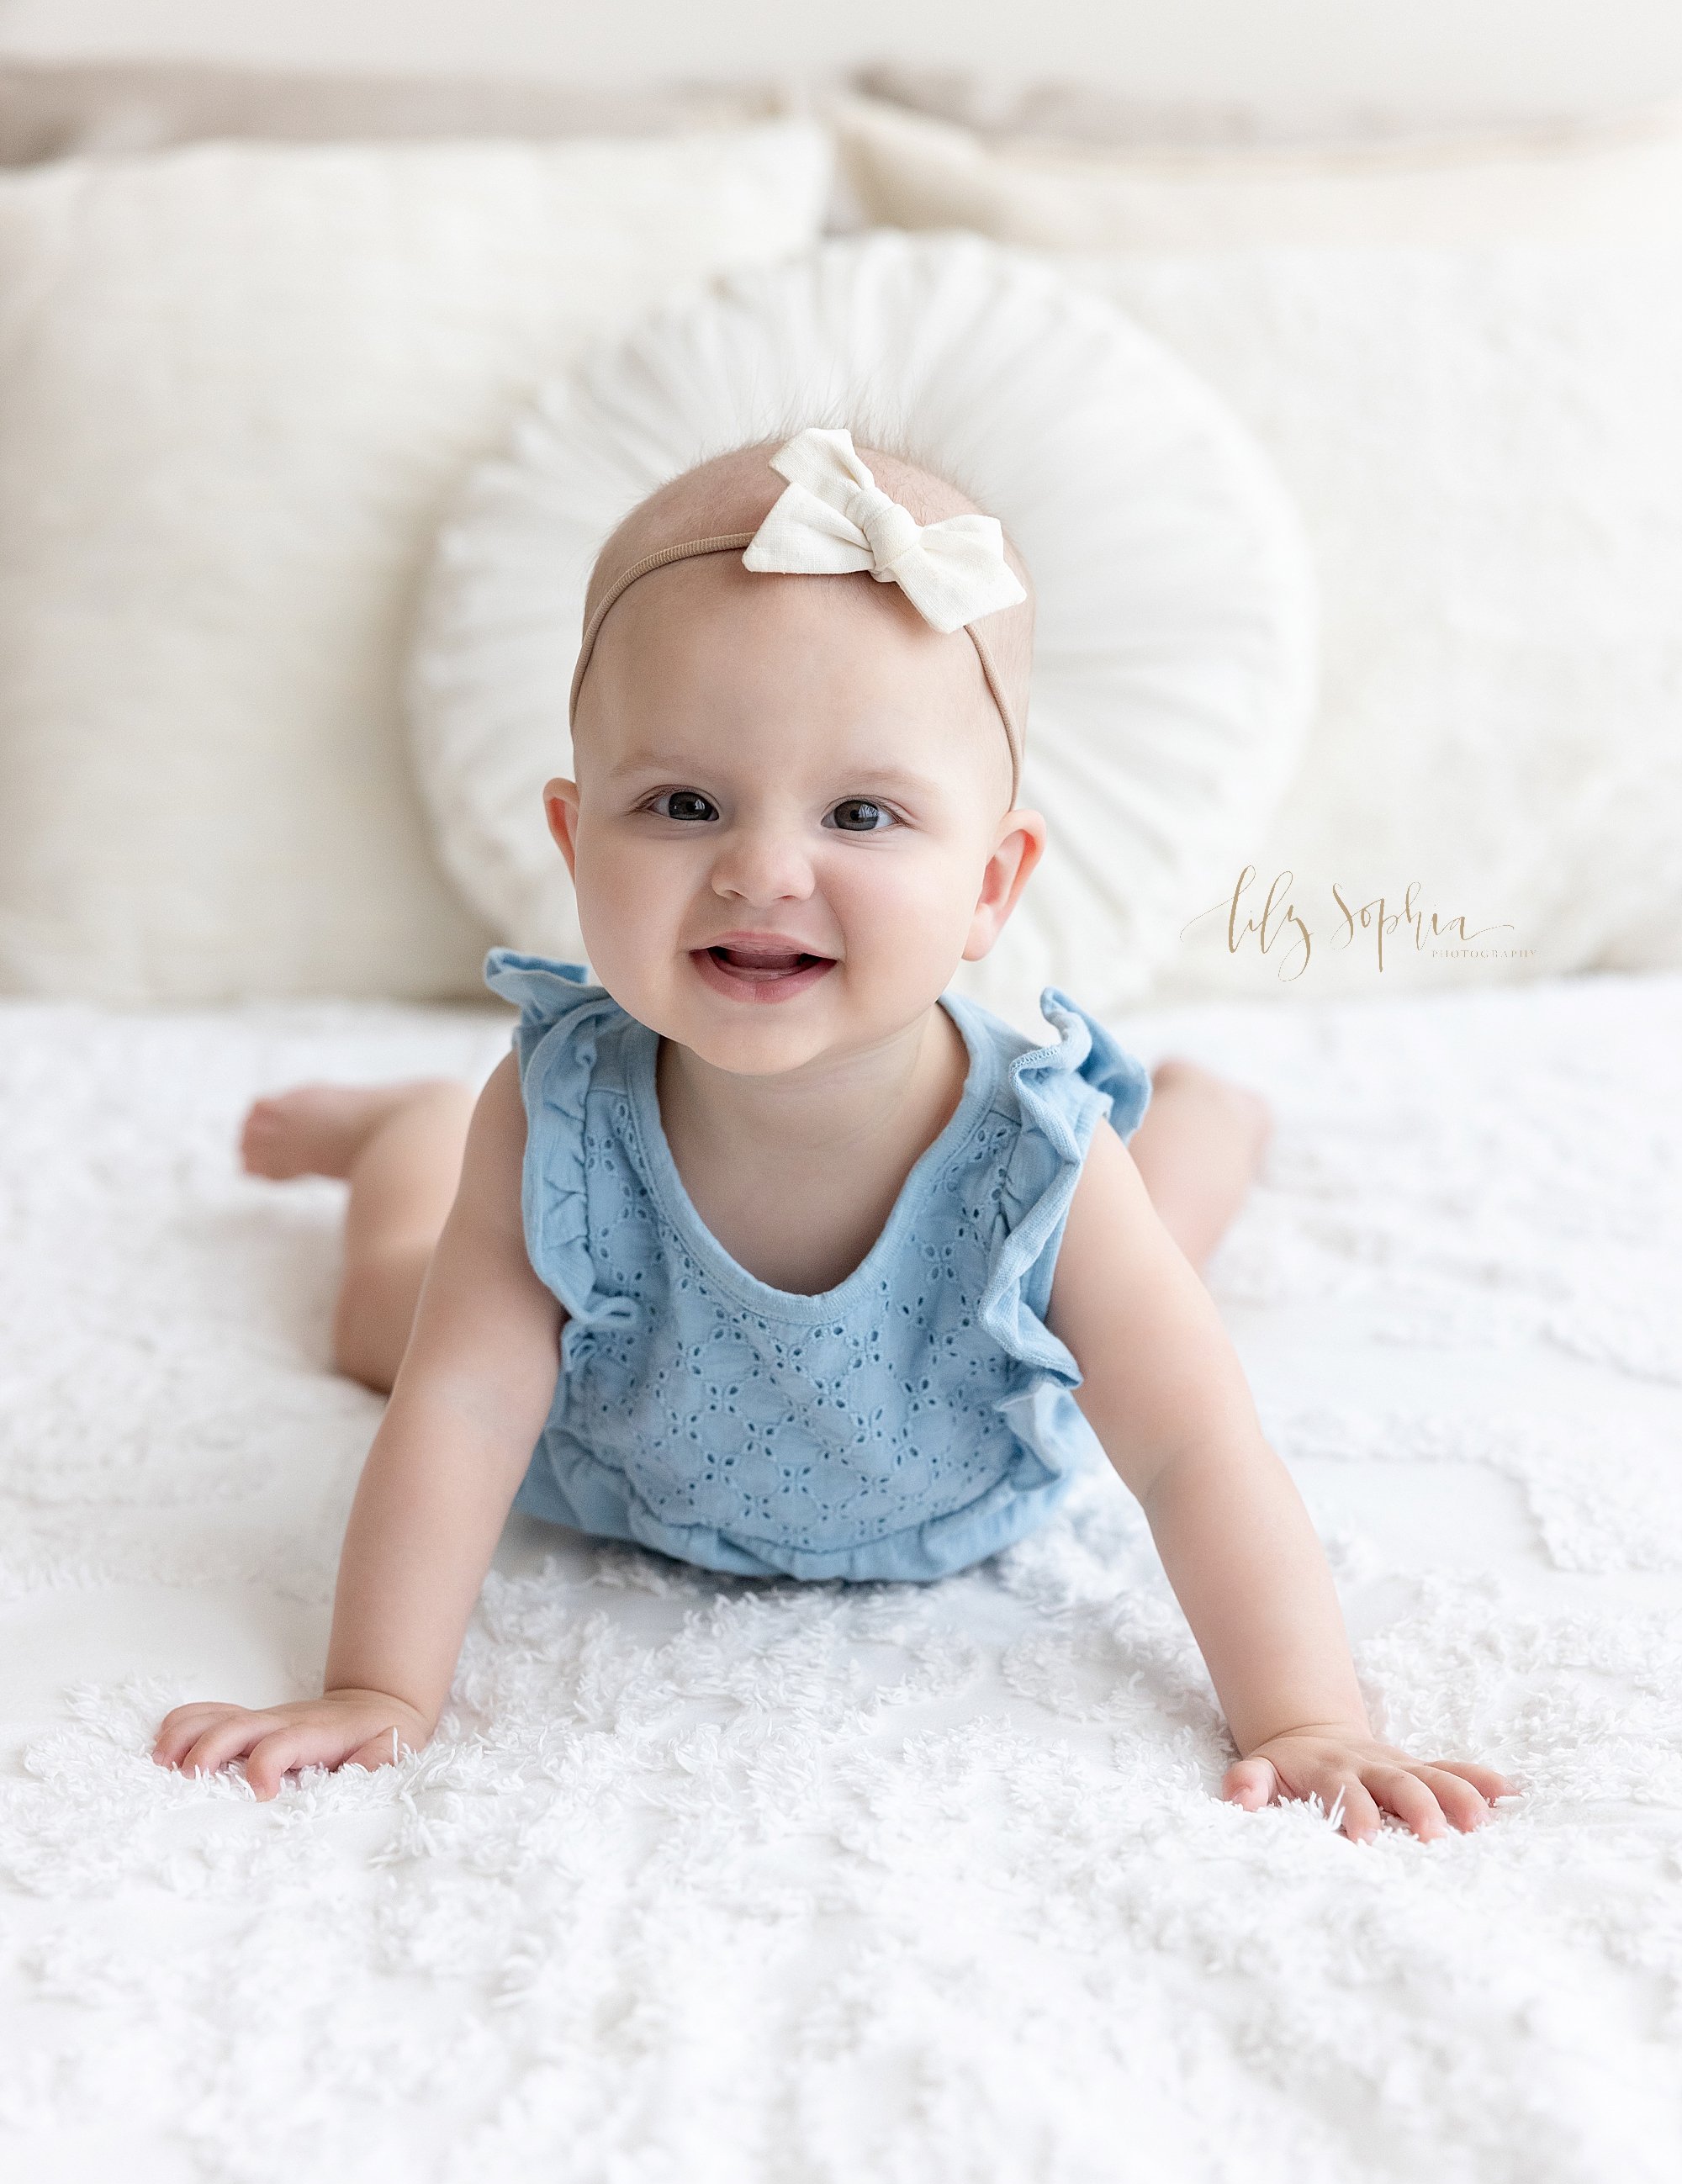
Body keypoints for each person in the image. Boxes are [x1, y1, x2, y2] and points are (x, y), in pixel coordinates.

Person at [154, 426, 1514, 1840]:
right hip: (621, 1451)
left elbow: (1194, 1449)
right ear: (572, 842)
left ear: (991, 884)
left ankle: (1206, 1116)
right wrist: (378, 1688)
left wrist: (1309, 1720)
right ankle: (404, 1137)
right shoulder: (560, 1114)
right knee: (392, 1314)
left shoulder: (1030, 1154)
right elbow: (470, 1405)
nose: (761, 869)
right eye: (682, 804)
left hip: (969, 1460)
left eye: (861, 813)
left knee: (1149, 1271)